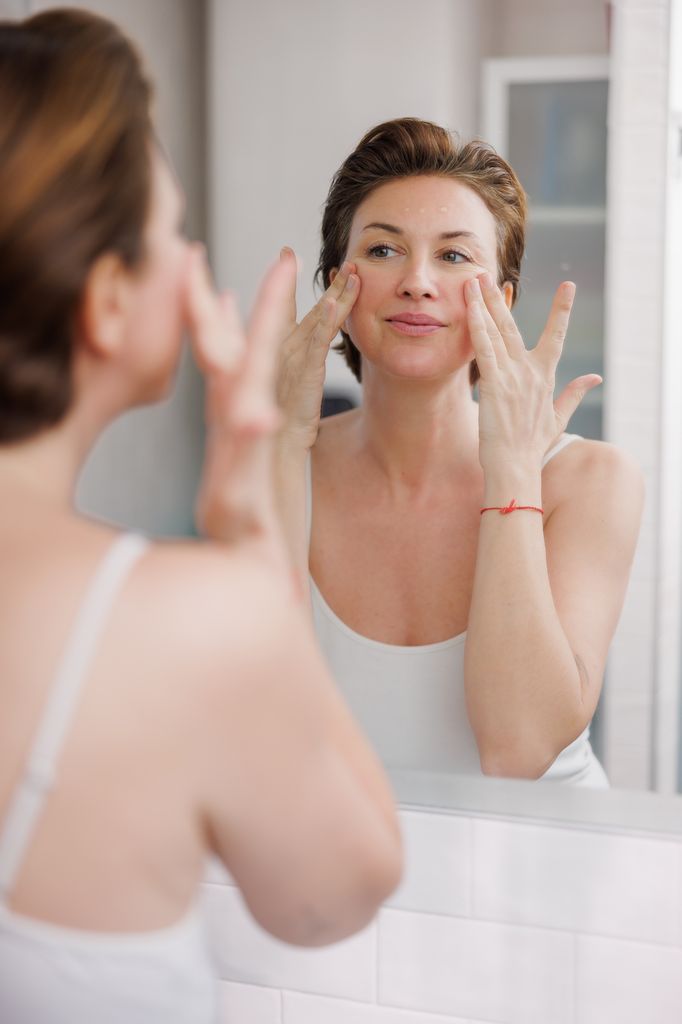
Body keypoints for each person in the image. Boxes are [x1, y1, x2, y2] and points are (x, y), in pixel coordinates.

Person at [0, 11, 402, 1023]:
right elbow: (339, 891)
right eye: (172, 233)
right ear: (102, 302)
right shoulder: (166, 619)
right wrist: (253, 542)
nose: (190, 265)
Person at [275, 117, 644, 786]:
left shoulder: (589, 479)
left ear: (501, 301)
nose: (418, 281)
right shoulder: (280, 462)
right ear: (337, 286)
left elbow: (518, 750)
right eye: (384, 250)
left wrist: (512, 470)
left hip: (552, 873)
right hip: (347, 872)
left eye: (454, 255)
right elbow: (264, 727)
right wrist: (274, 449)